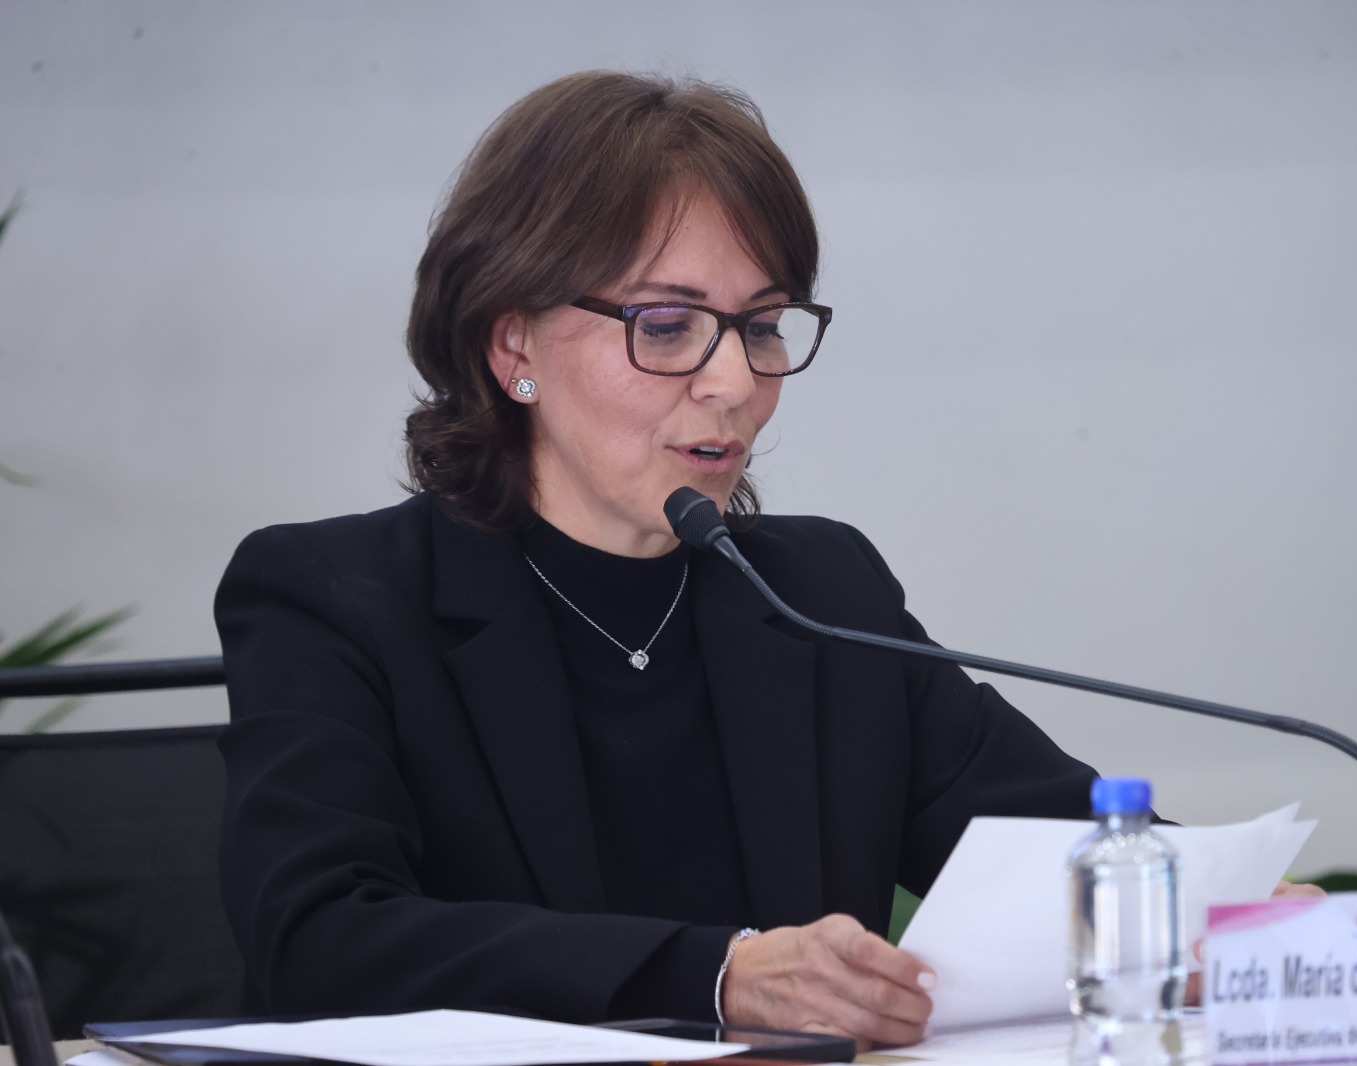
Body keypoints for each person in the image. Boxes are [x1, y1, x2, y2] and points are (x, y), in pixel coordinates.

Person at [214, 70, 1114, 1050]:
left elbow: (1075, 858)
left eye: (760, 326)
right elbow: (318, 941)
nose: (734, 382)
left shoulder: (822, 591)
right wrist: (720, 977)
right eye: (668, 325)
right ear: (512, 344)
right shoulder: (336, 599)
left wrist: (1203, 911)